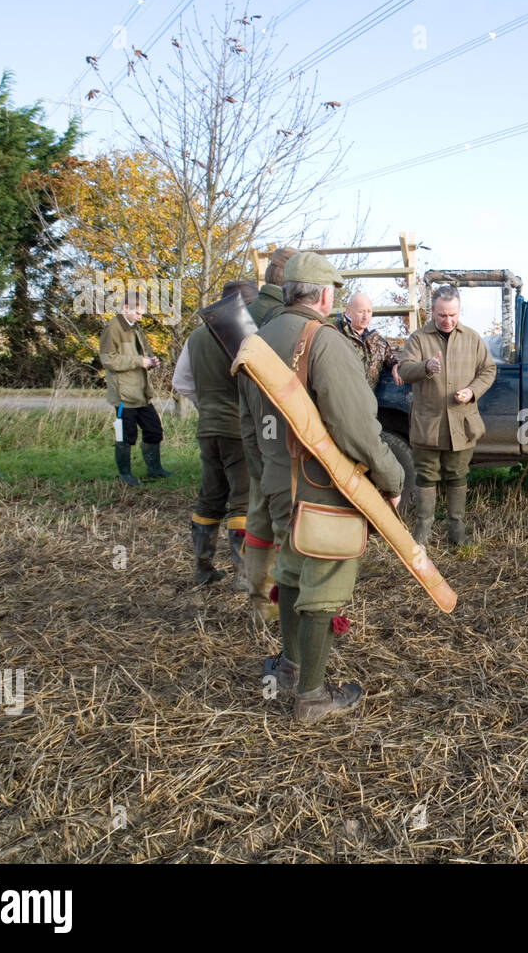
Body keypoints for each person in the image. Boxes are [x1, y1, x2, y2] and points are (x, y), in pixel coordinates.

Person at [240, 251, 404, 723]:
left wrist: (267, 474)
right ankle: (311, 697)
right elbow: (356, 426)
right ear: (327, 295)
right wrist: (391, 478)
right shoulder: (326, 342)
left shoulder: (259, 339)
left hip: (276, 484)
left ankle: (290, 668)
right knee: (324, 588)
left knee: (290, 574)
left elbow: (248, 427)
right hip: (322, 489)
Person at [172, 280, 258, 587]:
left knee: (209, 498)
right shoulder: (245, 337)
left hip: (207, 429)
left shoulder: (195, 337)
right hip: (238, 430)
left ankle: (203, 568)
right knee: (242, 502)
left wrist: (206, 405)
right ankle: (244, 576)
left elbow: (180, 383)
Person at [397, 285, 496, 547]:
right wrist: (426, 366)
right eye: (442, 315)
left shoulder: (472, 338)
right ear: (433, 311)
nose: (448, 320)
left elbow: (488, 370)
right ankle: (423, 530)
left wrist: (472, 392)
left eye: (453, 315)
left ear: (458, 310)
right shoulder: (418, 339)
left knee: (457, 474)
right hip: (428, 424)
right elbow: (404, 370)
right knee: (426, 475)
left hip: (462, 423)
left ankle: (457, 531)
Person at [238, 246, 298, 621]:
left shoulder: (242, 312)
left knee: (257, 512)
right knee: (285, 522)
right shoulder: (283, 319)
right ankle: (281, 607)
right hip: (281, 435)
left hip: (248, 425)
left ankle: (259, 603)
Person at [100, 288, 172, 486]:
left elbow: (141, 355)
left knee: (154, 430)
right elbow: (108, 360)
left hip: (141, 393)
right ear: (125, 308)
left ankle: (154, 469)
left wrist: (151, 361)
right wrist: (139, 361)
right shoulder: (113, 328)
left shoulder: (135, 328)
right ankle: (125, 475)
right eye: (138, 312)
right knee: (125, 435)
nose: (141, 316)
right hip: (124, 395)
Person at [337, 291, 400, 390]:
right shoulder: (335, 336)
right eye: (361, 312)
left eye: (369, 311)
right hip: (340, 400)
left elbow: (395, 352)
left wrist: (396, 364)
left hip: (367, 402)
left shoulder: (377, 341)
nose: (366, 317)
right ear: (348, 312)